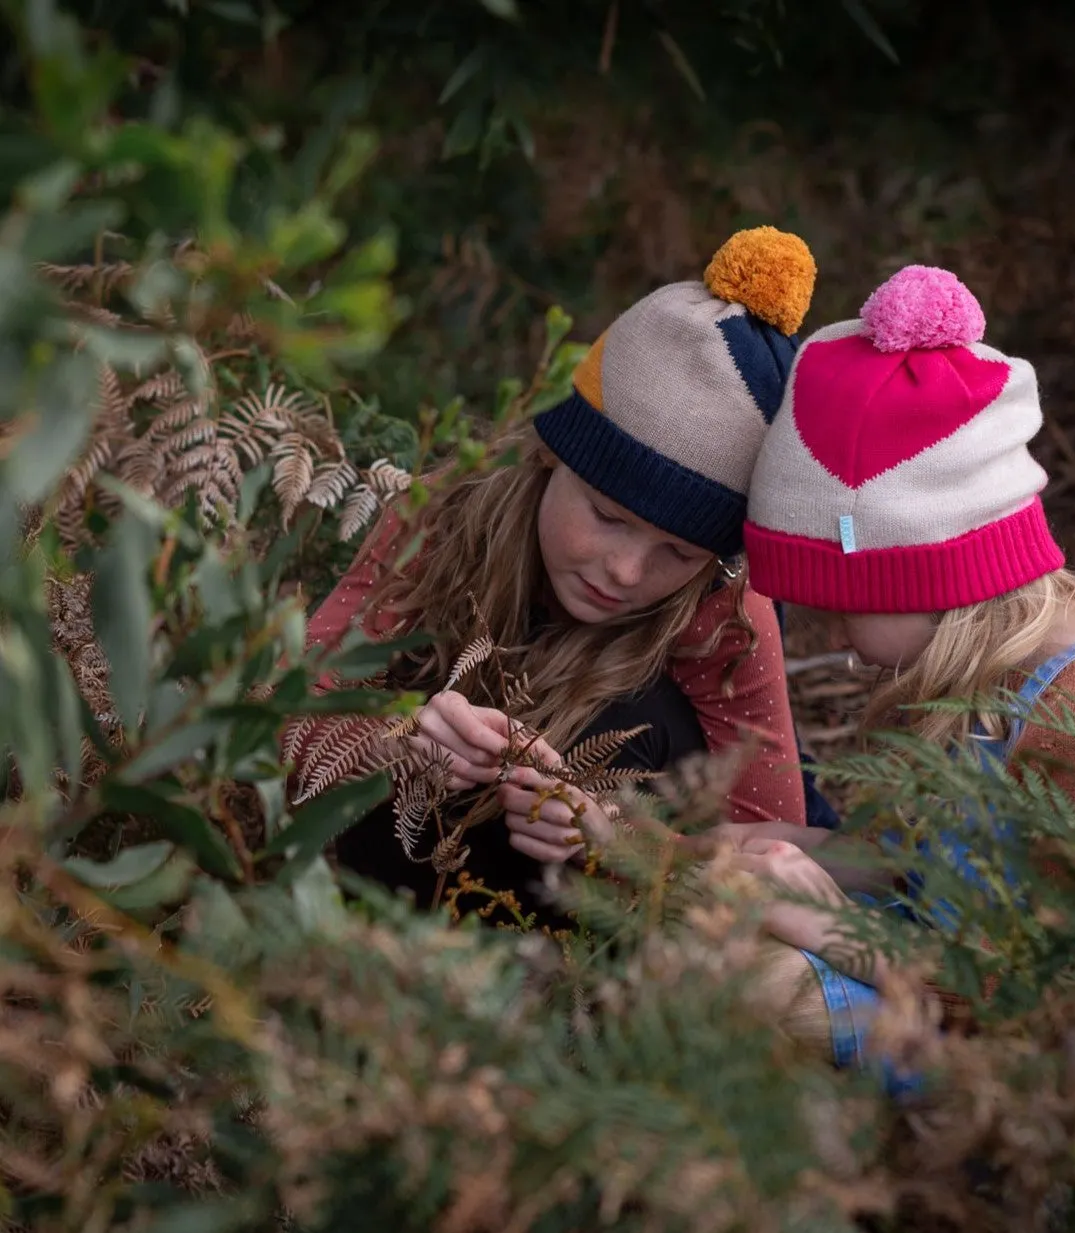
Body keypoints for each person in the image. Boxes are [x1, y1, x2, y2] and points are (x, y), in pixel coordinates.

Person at [723, 263, 1075, 1074]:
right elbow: (924, 865)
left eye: (840, 601)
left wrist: (836, 929)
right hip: (943, 969)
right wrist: (776, 847)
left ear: (917, 575)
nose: (836, 636)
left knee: (750, 985)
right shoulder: (974, 671)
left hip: (1063, 1093)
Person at [284, 227, 819, 926]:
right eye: (607, 515)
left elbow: (770, 835)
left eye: (678, 554)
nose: (626, 571)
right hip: (395, 876)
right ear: (547, 458)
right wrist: (396, 741)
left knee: (637, 719)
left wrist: (613, 837)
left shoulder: (725, 607)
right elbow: (288, 704)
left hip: (595, 928)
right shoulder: (448, 518)